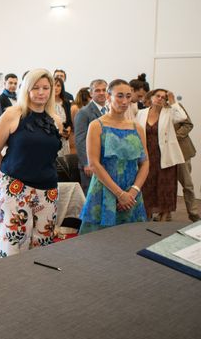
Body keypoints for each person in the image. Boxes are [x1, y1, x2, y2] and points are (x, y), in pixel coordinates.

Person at [0, 69, 62, 257]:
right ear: (26, 89)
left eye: (46, 88)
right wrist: (8, 177)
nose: (41, 92)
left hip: (48, 189)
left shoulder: (55, 121)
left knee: (43, 244)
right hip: (16, 188)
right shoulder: (12, 115)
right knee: (14, 245)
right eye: (35, 88)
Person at [79, 80, 149, 234]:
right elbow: (94, 164)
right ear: (109, 97)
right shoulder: (97, 125)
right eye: (120, 96)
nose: (124, 101)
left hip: (132, 192)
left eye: (128, 96)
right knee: (98, 243)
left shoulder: (137, 127)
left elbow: (145, 162)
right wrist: (119, 194)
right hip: (104, 190)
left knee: (131, 240)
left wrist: (133, 191)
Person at [136, 89, 186, 221]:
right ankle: (145, 216)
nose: (160, 99)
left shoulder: (169, 113)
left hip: (165, 156)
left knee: (165, 187)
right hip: (146, 155)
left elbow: (182, 117)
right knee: (146, 185)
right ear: (151, 97)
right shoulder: (141, 113)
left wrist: (173, 101)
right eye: (157, 96)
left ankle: (164, 217)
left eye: (164, 97)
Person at [74, 79, 108, 193]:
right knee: (91, 197)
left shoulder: (109, 110)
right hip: (91, 163)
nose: (102, 93)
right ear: (91, 93)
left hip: (107, 162)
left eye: (104, 90)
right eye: (97, 90)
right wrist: (86, 163)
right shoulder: (84, 113)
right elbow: (80, 140)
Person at [174, 104, 200, 222]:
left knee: (187, 185)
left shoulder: (176, 107)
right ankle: (165, 213)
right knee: (167, 185)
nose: (159, 99)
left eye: (162, 96)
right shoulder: (151, 111)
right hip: (163, 154)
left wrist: (173, 138)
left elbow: (188, 124)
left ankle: (194, 214)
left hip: (182, 152)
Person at [53, 77, 72, 156]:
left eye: (58, 86)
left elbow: (69, 121)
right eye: (53, 85)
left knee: (64, 164)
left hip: (64, 139)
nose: (56, 88)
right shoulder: (46, 103)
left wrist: (69, 129)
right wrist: (58, 131)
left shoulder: (66, 102)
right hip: (52, 138)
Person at [69, 87, 91, 152]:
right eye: (90, 97)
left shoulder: (79, 107)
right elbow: (76, 125)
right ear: (86, 97)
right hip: (76, 136)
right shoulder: (76, 108)